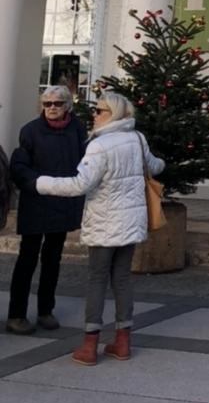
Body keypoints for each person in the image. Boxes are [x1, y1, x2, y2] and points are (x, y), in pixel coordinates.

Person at [35, 91, 164, 366]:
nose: (94, 115)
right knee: (122, 279)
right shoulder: (137, 139)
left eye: (99, 110)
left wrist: (41, 183)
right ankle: (123, 343)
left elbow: (80, 185)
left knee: (97, 279)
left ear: (112, 113)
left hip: (104, 223)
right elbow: (155, 166)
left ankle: (90, 345)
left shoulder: (99, 145)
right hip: (130, 222)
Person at [6, 86, 87, 335]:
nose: (52, 108)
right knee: (27, 259)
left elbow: (86, 162)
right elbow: (19, 166)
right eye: (47, 103)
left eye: (57, 103)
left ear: (68, 106)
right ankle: (16, 315)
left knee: (53, 259)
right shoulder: (30, 130)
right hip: (36, 202)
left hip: (63, 203)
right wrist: (38, 183)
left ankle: (45, 310)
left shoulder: (78, 129)